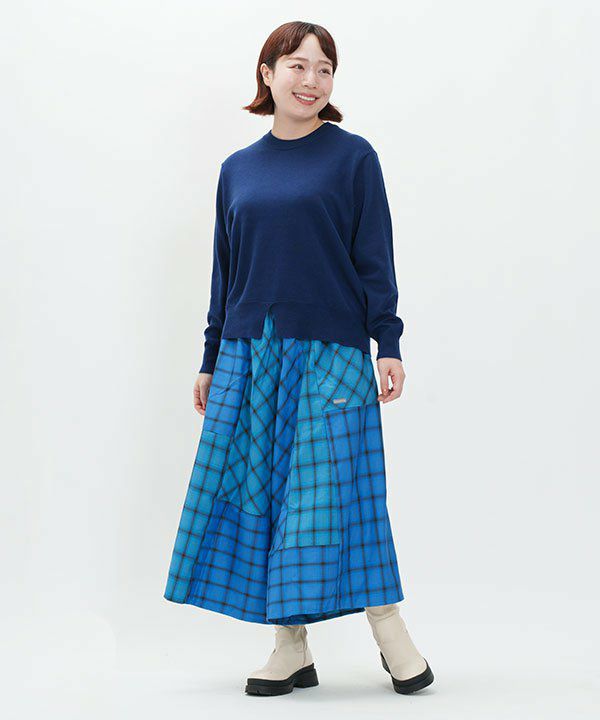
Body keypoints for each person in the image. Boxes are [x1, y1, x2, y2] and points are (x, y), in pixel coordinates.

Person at [164, 20, 434, 697]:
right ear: (267, 74)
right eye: (298, 66)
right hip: (249, 353)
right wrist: (210, 357)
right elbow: (225, 273)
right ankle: (290, 647)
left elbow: (374, 258)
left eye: (324, 69)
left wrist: (389, 342)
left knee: (339, 496)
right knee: (265, 496)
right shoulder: (237, 169)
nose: (311, 81)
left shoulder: (353, 158)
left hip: (331, 354)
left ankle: (391, 633)